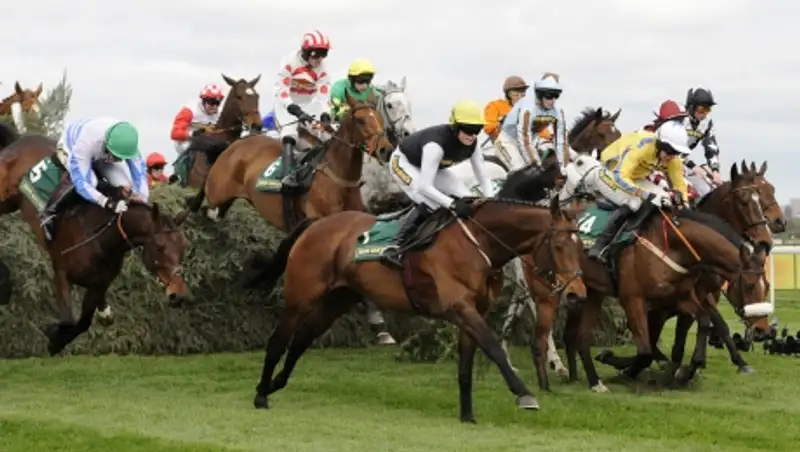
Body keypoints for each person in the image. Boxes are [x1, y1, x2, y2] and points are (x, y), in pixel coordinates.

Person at [381, 100, 493, 267]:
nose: (472, 136)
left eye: (477, 130)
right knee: (431, 201)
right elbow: (425, 187)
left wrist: (490, 199)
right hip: (403, 163)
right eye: (468, 130)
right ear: (455, 127)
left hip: (431, 167)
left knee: (468, 197)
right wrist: (453, 204)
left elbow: (483, 176)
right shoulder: (436, 145)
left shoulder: (473, 144)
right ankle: (394, 246)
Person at [585, 121, 692, 261]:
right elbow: (620, 175)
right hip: (611, 171)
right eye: (670, 151)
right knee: (635, 202)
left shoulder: (673, 159)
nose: (672, 156)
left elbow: (679, 185)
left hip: (635, 176)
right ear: (660, 145)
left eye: (677, 152)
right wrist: (641, 193)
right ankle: (600, 245)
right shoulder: (641, 148)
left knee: (664, 197)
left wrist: (683, 205)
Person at [40, 118, 148, 241]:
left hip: (101, 153)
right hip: (70, 146)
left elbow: (140, 175)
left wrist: (142, 198)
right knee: (92, 182)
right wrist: (107, 203)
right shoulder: (86, 142)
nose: (116, 160)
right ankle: (48, 213)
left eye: (120, 158)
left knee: (124, 185)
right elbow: (81, 184)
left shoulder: (128, 146)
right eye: (115, 156)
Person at [274, 29, 332, 189]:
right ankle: (286, 177)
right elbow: (281, 90)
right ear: (306, 52)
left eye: (323, 54)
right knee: (290, 133)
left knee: (328, 133)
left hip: (309, 103)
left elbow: (323, 94)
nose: (319, 59)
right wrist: (296, 111)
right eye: (316, 54)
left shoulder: (322, 68)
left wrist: (325, 115)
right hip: (287, 103)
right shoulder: (289, 61)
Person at [498, 72, 567, 169]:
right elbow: (525, 139)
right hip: (508, 141)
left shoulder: (554, 111)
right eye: (515, 93)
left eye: (556, 95)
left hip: (531, 143)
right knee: (521, 168)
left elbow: (559, 141)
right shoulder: (527, 108)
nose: (553, 100)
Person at [683, 87, 721, 197]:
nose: (704, 114)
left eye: (708, 110)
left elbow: (711, 148)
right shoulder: (679, 119)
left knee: (706, 190)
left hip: (682, 163)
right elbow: (672, 149)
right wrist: (693, 166)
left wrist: (715, 170)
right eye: (701, 110)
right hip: (663, 160)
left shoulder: (707, 123)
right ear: (691, 107)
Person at [170, 84, 224, 154]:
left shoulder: (220, 113)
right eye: (211, 102)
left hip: (209, 143)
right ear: (204, 101)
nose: (214, 106)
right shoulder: (190, 110)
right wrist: (193, 134)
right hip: (187, 143)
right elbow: (174, 134)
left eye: (217, 103)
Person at [483, 76, 529, 142]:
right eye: (515, 94)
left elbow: (540, 129)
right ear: (507, 94)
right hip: (501, 142)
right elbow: (488, 127)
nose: (519, 97)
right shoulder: (494, 106)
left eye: (522, 94)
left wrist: (548, 137)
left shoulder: (527, 109)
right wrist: (502, 123)